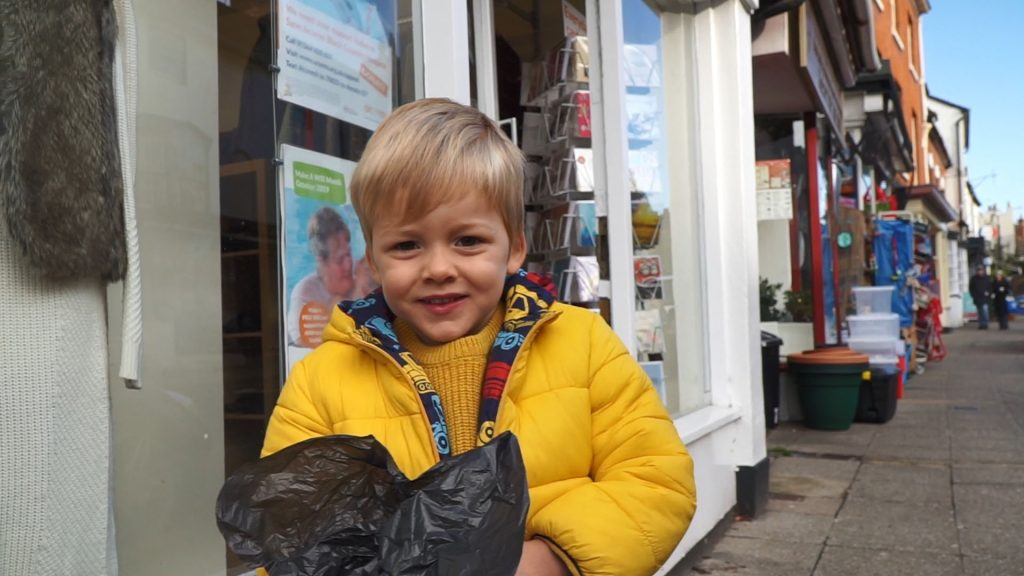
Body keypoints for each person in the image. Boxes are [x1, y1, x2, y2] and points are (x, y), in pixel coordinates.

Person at [262, 98, 696, 575]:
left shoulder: (584, 344)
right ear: (375, 262)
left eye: (467, 241)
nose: (438, 268)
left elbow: (656, 482)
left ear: (515, 247)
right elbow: (288, 530)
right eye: (406, 245)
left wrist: (548, 561)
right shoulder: (320, 383)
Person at [287, 207, 376, 347]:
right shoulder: (304, 296)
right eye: (339, 260)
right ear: (321, 262)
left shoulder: (361, 273)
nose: (348, 265)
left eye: (348, 254)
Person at [968, 265, 992, 330]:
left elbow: (990, 287)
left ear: (983, 271)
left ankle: (985, 323)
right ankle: (981, 324)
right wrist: (973, 295)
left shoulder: (987, 278)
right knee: (980, 311)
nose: (980, 271)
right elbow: (971, 288)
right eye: (979, 270)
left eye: (981, 270)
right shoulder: (974, 279)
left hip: (985, 298)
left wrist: (988, 293)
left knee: (985, 311)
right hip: (977, 298)